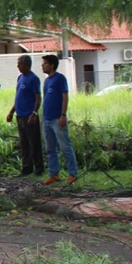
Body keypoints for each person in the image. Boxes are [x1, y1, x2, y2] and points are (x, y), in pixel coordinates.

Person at [40, 54, 78, 185]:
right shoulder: (46, 81)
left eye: (45, 63)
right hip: (47, 119)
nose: (42, 65)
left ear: (51, 65)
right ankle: (54, 174)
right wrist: (42, 117)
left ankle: (72, 173)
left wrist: (63, 115)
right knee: (50, 149)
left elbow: (65, 96)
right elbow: (45, 99)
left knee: (65, 146)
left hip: (57, 118)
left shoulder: (60, 79)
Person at [5, 55, 44, 176]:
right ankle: (26, 168)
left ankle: (39, 168)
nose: (18, 66)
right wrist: (11, 112)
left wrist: (34, 113)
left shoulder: (33, 79)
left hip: (29, 115)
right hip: (20, 115)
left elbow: (38, 98)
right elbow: (18, 98)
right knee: (24, 143)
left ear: (26, 65)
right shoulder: (20, 78)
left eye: (20, 64)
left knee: (34, 142)